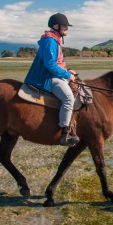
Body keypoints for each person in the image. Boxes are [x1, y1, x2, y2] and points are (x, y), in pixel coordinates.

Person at [24, 13, 80, 146]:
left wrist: (67, 71)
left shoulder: (54, 39)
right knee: (68, 98)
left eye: (67, 25)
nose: (67, 28)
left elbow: (56, 63)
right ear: (56, 26)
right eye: (65, 25)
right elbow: (50, 64)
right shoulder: (50, 41)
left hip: (54, 74)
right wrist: (67, 75)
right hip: (47, 78)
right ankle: (65, 133)